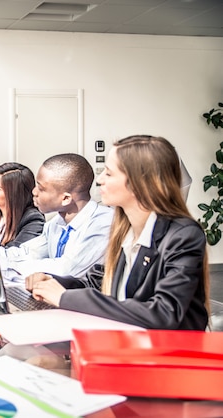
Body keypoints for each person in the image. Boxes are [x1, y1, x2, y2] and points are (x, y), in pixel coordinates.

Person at [27, 135, 209, 330]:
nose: (99, 179)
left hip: (166, 353)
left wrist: (64, 298)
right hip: (124, 342)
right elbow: (97, 281)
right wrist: (52, 281)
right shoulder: (125, 230)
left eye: (109, 173)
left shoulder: (183, 235)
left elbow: (165, 312)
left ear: (139, 183)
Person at [0, 153, 114, 281]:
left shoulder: (102, 224)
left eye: (41, 188)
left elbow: (66, 270)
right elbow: (27, 253)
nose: (34, 192)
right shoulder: (57, 223)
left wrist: (11, 266)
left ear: (66, 198)